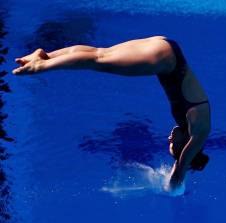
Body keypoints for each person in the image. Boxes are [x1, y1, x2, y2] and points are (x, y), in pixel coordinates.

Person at [13, 36, 211, 192]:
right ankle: (41, 66)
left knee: (100, 53)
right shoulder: (199, 128)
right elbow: (180, 169)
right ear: (184, 144)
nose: (168, 137)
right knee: (98, 60)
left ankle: (44, 56)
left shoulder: (193, 125)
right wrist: (176, 182)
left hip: (165, 48)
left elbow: (183, 159)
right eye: (171, 144)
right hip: (163, 59)